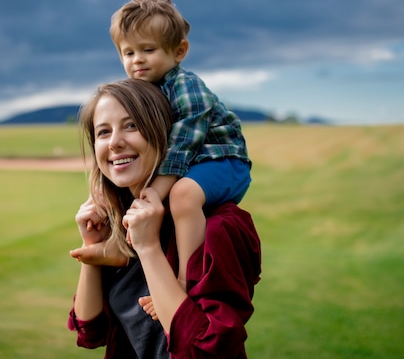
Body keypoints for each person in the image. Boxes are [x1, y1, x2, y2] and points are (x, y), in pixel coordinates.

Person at [68, 79, 261, 358]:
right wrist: (92, 247)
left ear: (165, 136)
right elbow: (90, 331)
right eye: (103, 132)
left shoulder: (219, 227)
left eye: (132, 125)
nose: (115, 143)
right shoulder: (123, 223)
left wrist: (148, 248)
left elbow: (204, 350)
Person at [109, 0, 252, 295]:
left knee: (182, 195)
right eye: (128, 52)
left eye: (148, 50)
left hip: (222, 160)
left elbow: (183, 143)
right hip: (193, 164)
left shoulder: (185, 85)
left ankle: (186, 281)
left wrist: (157, 191)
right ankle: (116, 251)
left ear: (179, 51)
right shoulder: (146, 92)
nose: (137, 60)